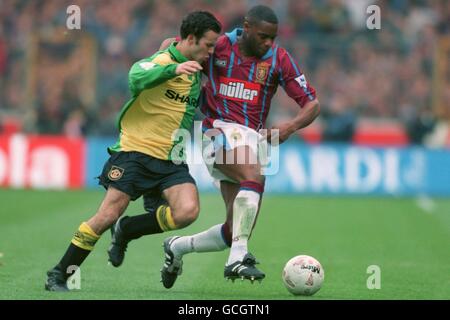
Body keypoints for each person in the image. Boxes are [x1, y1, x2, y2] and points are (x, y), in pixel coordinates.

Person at [108, 5, 320, 288]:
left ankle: (177, 247)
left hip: (251, 139)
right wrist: (165, 74)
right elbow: (170, 47)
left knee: (235, 230)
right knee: (254, 177)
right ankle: (237, 259)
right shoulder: (218, 47)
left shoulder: (279, 59)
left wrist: (290, 127)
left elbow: (312, 104)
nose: (268, 42)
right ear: (246, 27)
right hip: (216, 131)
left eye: (272, 37)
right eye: (263, 36)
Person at [44, 11, 221, 292]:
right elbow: (136, 77)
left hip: (171, 159)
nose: (212, 51)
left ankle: (127, 230)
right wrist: (173, 69)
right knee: (106, 215)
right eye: (208, 45)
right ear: (190, 38)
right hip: (135, 153)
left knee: (187, 211)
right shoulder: (163, 60)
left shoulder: (198, 65)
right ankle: (59, 274)